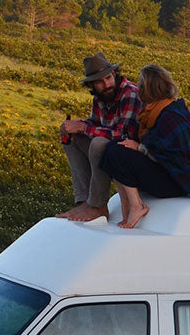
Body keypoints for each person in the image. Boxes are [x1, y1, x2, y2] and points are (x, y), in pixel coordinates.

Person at [98, 64, 190, 229]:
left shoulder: (170, 116)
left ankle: (137, 206)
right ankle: (127, 202)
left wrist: (140, 148)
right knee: (113, 146)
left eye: (141, 84)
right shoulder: (152, 112)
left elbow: (173, 157)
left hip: (176, 181)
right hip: (165, 172)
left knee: (118, 152)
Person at [58, 52, 140, 222]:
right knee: (73, 139)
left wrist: (83, 127)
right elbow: (95, 123)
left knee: (98, 143)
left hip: (129, 157)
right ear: (92, 85)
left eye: (108, 78)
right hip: (111, 155)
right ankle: (85, 202)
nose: (106, 84)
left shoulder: (129, 93)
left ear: (114, 74)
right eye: (100, 82)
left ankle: (98, 206)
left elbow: (122, 135)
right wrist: (73, 126)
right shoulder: (100, 97)